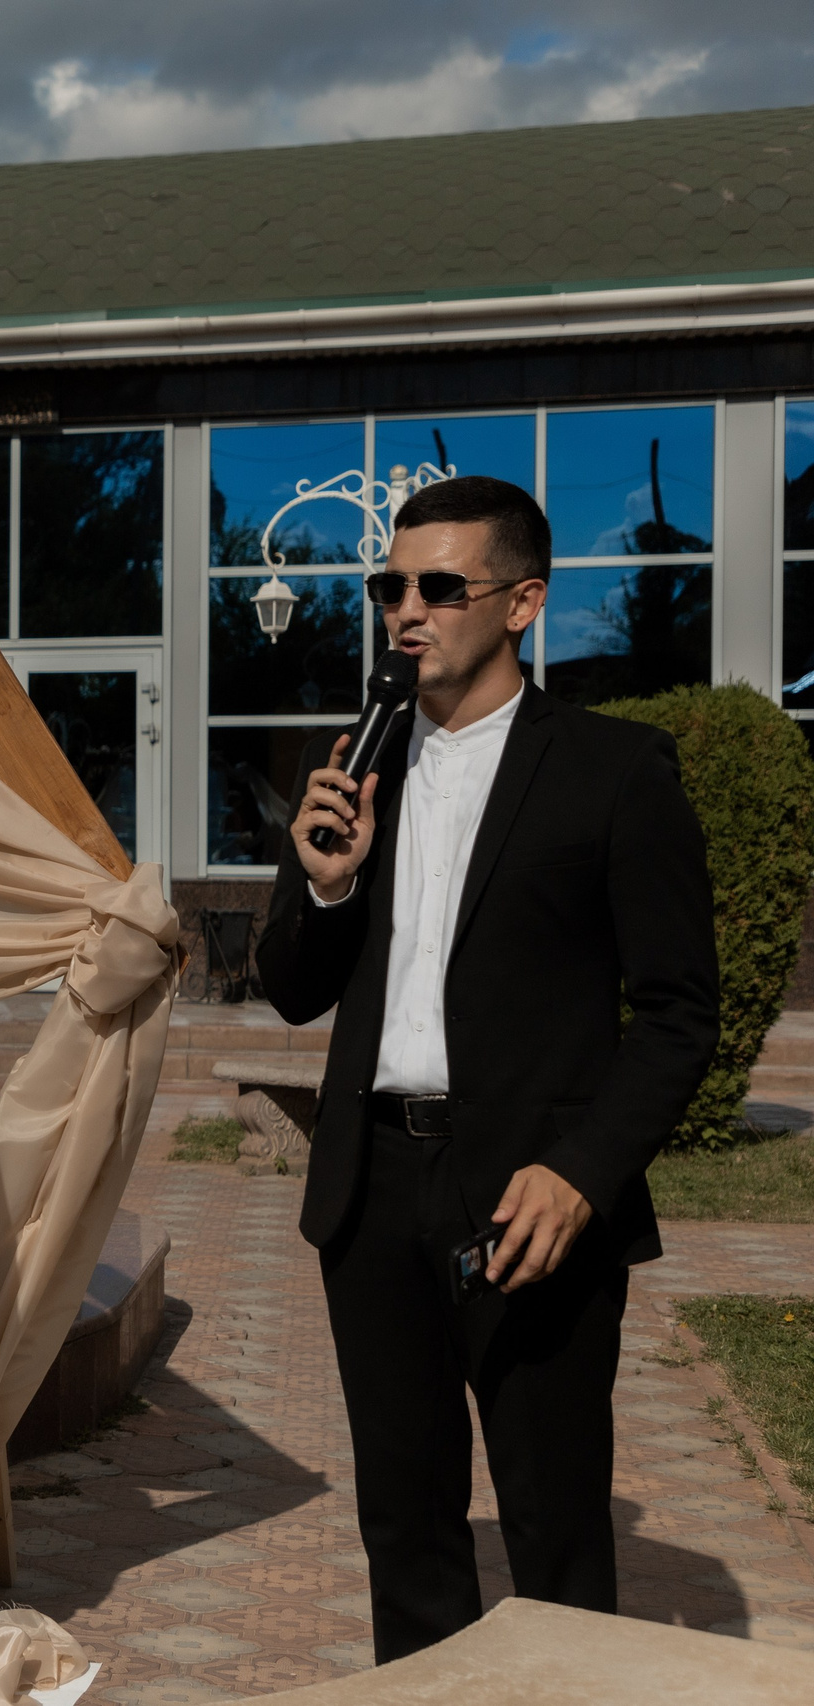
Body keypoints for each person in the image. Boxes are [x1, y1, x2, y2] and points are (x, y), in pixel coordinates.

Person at [253, 474, 717, 1664]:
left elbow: (678, 1015)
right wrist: (326, 881)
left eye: (439, 587)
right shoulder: (359, 764)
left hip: (530, 1196)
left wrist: (581, 1172)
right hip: (372, 1191)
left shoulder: (616, 771)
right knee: (403, 1523)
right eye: (389, 586)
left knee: (553, 1526)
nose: (405, 611)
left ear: (521, 603)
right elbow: (294, 987)